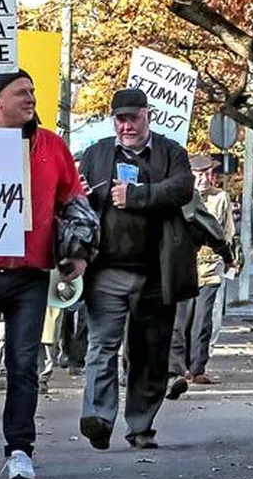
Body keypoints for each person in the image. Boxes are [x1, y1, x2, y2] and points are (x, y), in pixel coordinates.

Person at [0, 69, 87, 479]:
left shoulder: (51, 146)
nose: (31, 98)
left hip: (31, 272)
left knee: (23, 361)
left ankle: (18, 448)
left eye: (33, 90)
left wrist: (79, 253)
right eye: (21, 92)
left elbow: (74, 201)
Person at [76, 88, 195, 450]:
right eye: (120, 118)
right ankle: (98, 418)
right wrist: (80, 194)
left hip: (157, 271)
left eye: (133, 117)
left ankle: (140, 425)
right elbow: (77, 198)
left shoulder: (170, 152)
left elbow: (182, 188)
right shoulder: (96, 154)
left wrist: (138, 195)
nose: (126, 125)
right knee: (102, 346)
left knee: (148, 352)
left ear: (148, 115)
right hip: (107, 270)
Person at [167, 154, 235, 398]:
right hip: (183, 266)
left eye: (209, 174)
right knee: (180, 321)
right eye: (200, 174)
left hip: (208, 268)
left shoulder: (220, 198)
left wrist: (228, 257)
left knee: (203, 321)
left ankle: (196, 368)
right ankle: (178, 369)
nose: (206, 179)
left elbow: (224, 231)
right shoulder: (179, 194)